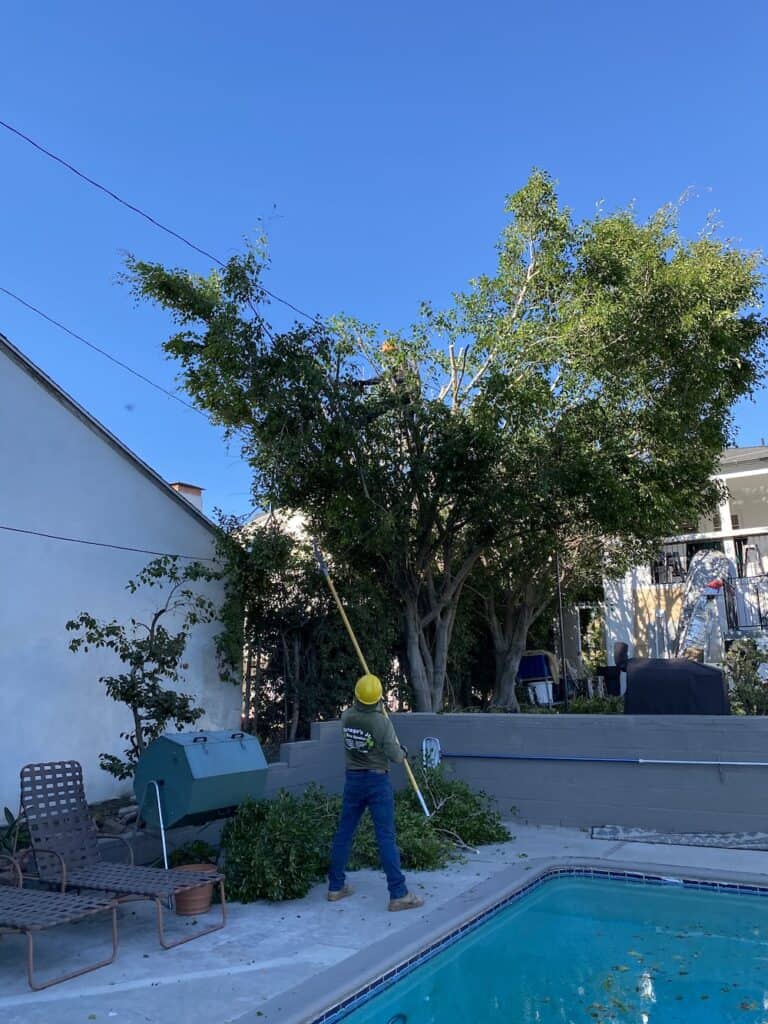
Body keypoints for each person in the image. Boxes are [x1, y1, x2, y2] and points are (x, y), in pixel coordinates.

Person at [327, 673, 424, 912]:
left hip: (353, 780)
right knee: (385, 837)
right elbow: (395, 756)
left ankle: (336, 887)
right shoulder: (381, 722)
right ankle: (399, 894)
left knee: (344, 833)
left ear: (357, 696)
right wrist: (402, 750)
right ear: (378, 698)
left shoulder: (346, 716)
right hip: (376, 781)